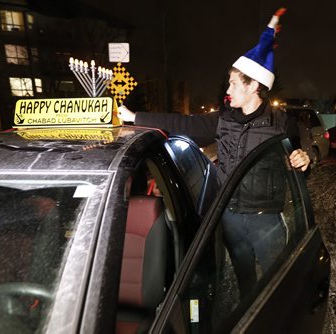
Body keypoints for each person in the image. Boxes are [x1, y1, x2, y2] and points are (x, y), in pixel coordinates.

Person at [118, 8, 310, 296]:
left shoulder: (282, 124)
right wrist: (135, 117)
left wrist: (303, 161)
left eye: (234, 82)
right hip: (230, 217)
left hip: (266, 220)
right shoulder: (224, 120)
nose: (228, 88)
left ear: (254, 85)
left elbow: (299, 161)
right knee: (245, 280)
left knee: (277, 283)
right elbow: (184, 123)